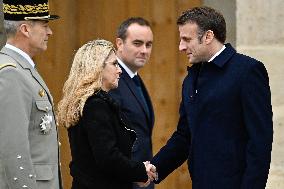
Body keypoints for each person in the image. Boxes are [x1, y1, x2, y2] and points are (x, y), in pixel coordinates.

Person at [151, 6, 273, 189]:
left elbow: (259, 142)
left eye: (186, 39)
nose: (181, 47)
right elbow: (185, 136)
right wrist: (155, 167)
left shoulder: (247, 71)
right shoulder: (191, 79)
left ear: (208, 36)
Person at [57, 39, 157, 189]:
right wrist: (140, 171)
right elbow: (108, 157)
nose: (120, 70)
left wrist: (136, 172)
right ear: (97, 68)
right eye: (114, 64)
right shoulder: (95, 105)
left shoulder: (93, 103)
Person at [0, 0, 62, 188]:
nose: (49, 32)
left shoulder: (23, 69)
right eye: (45, 25)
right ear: (25, 29)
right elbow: (13, 149)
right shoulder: (11, 73)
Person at [109, 17, 155, 189]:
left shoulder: (133, 78)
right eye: (137, 43)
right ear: (119, 43)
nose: (144, 50)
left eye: (148, 44)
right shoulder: (112, 81)